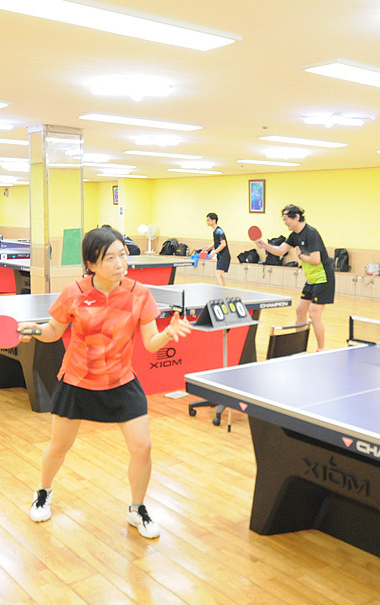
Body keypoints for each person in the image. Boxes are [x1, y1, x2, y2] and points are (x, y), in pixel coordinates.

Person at [20, 226, 192, 537]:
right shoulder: (74, 292)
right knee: (59, 446)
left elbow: (151, 342)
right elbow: (54, 332)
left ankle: (137, 509)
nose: (119, 263)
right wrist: (32, 330)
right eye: (109, 258)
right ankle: (43, 490)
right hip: (77, 381)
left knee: (143, 447)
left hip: (120, 380)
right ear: (91, 264)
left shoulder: (140, 294)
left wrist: (168, 333)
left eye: (122, 255)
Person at [256, 204, 334, 350]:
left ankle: (321, 350)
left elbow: (315, 259)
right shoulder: (294, 235)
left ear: (297, 217)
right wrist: (265, 245)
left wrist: (300, 255)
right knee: (300, 311)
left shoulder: (311, 233)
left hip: (323, 278)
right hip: (311, 279)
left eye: (287, 219)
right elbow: (281, 251)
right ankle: (299, 347)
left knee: (314, 314)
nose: (285, 222)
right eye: (284, 219)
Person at [205, 212, 231, 286]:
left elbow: (223, 244)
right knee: (219, 274)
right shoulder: (215, 231)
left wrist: (213, 252)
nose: (207, 221)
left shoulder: (219, 231)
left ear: (214, 221)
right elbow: (215, 243)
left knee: (217, 274)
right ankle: (223, 290)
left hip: (224, 256)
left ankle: (220, 290)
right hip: (221, 256)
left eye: (208, 220)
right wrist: (207, 250)